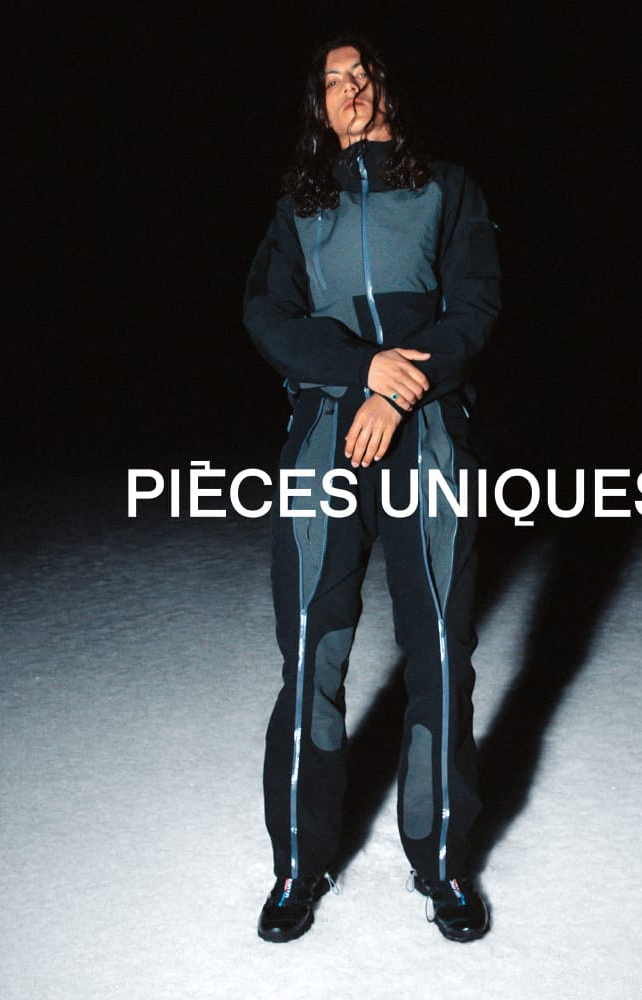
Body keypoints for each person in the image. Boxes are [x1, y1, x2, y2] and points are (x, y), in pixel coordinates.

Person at [243, 34, 500, 943]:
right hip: (325, 427)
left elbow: (474, 307)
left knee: (438, 646)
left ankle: (442, 863)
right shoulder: (298, 208)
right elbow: (266, 314)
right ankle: (298, 863)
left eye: (362, 74)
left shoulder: (448, 189)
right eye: (332, 81)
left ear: (387, 85)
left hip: (426, 426)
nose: (349, 89)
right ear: (320, 107)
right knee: (312, 643)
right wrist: (360, 373)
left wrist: (399, 388)